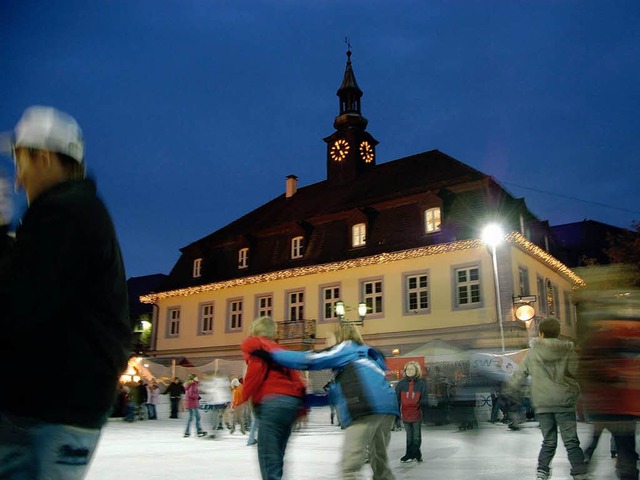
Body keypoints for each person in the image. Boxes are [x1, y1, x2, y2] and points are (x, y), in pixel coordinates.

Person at [0, 105, 131, 479]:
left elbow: (14, 305)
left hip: (42, 407)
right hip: (66, 405)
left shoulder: (64, 214)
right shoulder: (78, 212)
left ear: (42, 157)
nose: (19, 181)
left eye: (20, 163)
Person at [255, 321, 400, 480]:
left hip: (366, 407)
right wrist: (304, 399)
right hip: (388, 408)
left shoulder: (346, 347)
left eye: (328, 338)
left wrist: (272, 354)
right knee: (380, 462)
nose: (325, 343)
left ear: (339, 337)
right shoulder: (363, 356)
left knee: (349, 467)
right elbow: (333, 396)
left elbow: (311, 359)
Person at [505, 318, 588, 480]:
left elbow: (519, 375)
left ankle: (542, 471)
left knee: (549, 441)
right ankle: (579, 472)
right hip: (564, 401)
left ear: (541, 333)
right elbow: (576, 373)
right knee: (571, 441)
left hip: (542, 403)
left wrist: (509, 390)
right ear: (558, 332)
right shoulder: (568, 351)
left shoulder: (533, 353)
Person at [239, 316, 307, 480]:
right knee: (277, 456)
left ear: (255, 331)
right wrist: (302, 409)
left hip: (272, 403)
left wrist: (242, 400)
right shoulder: (281, 351)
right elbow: (297, 379)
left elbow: (254, 374)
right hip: (290, 405)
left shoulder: (258, 348)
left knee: (269, 458)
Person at [395, 360, 428, 463]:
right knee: (409, 436)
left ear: (416, 370)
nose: (409, 371)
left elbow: (424, 400)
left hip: (417, 414)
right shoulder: (401, 384)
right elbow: (396, 400)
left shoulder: (421, 384)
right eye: (407, 369)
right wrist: (396, 415)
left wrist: (426, 414)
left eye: (411, 369)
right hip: (405, 414)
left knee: (416, 437)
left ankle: (417, 453)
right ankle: (409, 454)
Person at [183, 373, 206, 438]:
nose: (197, 378)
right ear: (193, 378)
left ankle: (187, 432)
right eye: (196, 377)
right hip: (193, 403)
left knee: (190, 418)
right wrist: (197, 397)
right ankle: (199, 431)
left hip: (189, 403)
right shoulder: (193, 384)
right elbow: (191, 394)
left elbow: (190, 393)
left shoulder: (189, 384)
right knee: (198, 417)